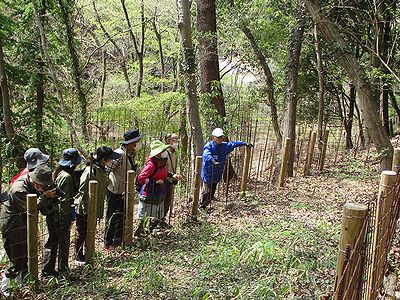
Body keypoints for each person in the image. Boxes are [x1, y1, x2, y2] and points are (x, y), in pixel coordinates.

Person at [1, 165, 57, 294]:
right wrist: (44, 196)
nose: (45, 187)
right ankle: (7, 288)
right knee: (15, 259)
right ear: (36, 182)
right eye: (44, 185)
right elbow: (30, 208)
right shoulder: (18, 189)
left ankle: (25, 284)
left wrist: (48, 198)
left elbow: (42, 209)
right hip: (13, 227)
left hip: (24, 225)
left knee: (25, 256)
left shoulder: (34, 186)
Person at [74, 146, 121, 263]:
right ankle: (78, 256)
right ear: (103, 159)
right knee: (82, 233)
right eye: (110, 159)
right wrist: (86, 209)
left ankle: (88, 253)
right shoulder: (90, 171)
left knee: (90, 232)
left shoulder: (101, 169)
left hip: (94, 207)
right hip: (85, 208)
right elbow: (82, 191)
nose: (112, 161)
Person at [42, 149, 83, 276]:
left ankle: (48, 270)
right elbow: (64, 201)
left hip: (54, 213)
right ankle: (62, 268)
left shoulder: (60, 173)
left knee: (52, 241)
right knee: (62, 242)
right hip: (60, 215)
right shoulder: (66, 177)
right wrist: (65, 219)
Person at [105, 129, 144, 250]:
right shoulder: (119, 154)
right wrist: (109, 184)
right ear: (132, 143)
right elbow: (107, 170)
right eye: (138, 141)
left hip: (125, 191)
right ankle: (108, 242)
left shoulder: (131, 153)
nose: (139, 143)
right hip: (115, 191)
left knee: (122, 217)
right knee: (112, 216)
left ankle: (118, 240)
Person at [199, 128, 253, 210]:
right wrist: (213, 160)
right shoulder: (209, 146)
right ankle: (201, 207)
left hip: (217, 174)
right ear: (213, 138)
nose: (219, 139)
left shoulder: (225, 146)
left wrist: (244, 143)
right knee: (207, 192)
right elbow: (206, 155)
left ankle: (203, 206)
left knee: (212, 192)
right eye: (218, 137)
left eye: (221, 137)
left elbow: (233, 144)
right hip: (208, 173)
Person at [135, 140, 179, 237]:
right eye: (162, 151)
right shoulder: (151, 165)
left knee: (158, 216)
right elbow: (141, 178)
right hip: (149, 194)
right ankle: (140, 235)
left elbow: (164, 172)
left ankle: (148, 232)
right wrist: (154, 182)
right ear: (158, 154)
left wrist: (172, 175)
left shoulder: (162, 163)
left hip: (159, 193)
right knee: (144, 217)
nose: (164, 152)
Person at [163, 133, 182, 221]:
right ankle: (157, 221)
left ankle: (162, 219)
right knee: (161, 202)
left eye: (177, 140)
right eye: (174, 140)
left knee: (168, 202)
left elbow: (174, 166)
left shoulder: (175, 152)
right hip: (163, 181)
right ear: (168, 141)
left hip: (171, 180)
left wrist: (176, 175)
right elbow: (162, 168)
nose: (176, 142)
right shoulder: (164, 152)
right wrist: (171, 175)